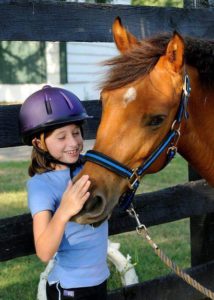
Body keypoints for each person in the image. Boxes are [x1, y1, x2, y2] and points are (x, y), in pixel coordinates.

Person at [19, 85, 109, 300]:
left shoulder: (88, 168)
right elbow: (44, 252)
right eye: (61, 137)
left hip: (100, 281)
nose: (73, 143)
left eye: (76, 133)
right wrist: (64, 210)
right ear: (38, 142)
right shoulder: (41, 185)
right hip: (70, 290)